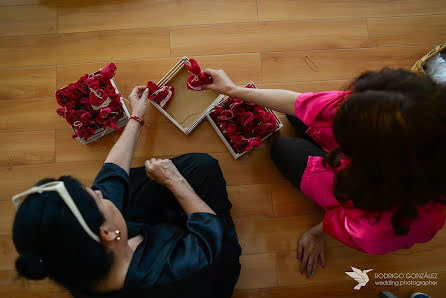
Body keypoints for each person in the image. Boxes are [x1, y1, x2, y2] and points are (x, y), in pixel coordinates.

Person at [203, 67, 446, 278]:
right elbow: (299, 103)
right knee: (293, 114)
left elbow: (344, 221)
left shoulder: (387, 226)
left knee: (282, 148)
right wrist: (232, 90)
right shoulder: (390, 108)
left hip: (346, 187)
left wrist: (318, 233)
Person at [11, 86, 241, 297]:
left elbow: (110, 178)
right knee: (203, 167)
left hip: (133, 238)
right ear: (107, 233)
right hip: (211, 255)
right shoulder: (182, 269)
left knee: (128, 183)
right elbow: (211, 235)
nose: (99, 192)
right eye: (96, 198)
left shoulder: (76, 259)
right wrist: (175, 182)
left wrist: (136, 116)